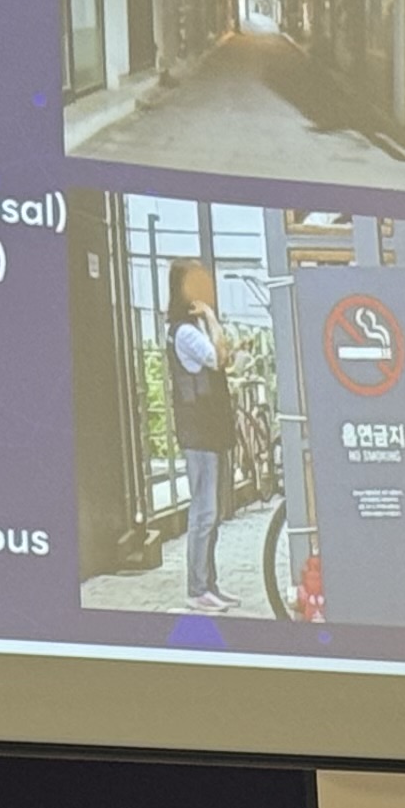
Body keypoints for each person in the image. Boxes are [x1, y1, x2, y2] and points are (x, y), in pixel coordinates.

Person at [167, 259, 236, 613]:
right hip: (200, 431)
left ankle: (209, 584)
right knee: (204, 512)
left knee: (211, 513)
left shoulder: (187, 329)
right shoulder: (186, 332)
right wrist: (210, 315)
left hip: (207, 430)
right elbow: (219, 357)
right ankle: (197, 589)